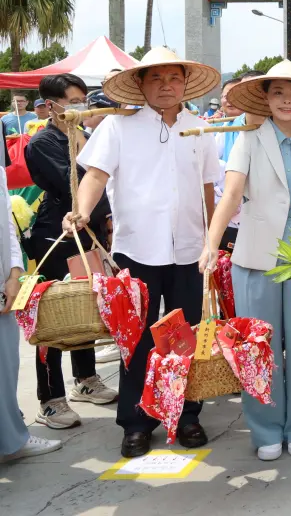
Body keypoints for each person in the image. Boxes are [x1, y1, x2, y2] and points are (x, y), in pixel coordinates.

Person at [66, 48, 222, 459]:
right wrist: (81, 211)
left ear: (185, 84)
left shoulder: (199, 129)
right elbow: (95, 175)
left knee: (184, 338)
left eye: (174, 78)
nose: (166, 85)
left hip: (190, 250)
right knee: (135, 341)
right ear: (140, 85)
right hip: (136, 249)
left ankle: (187, 414)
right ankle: (136, 422)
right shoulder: (119, 127)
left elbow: (209, 187)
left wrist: (211, 240)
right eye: (156, 79)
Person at [201, 61, 291, 461]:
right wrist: (212, 243)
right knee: (258, 346)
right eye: (277, 93)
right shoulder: (249, 139)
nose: (286, 100)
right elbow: (230, 195)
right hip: (256, 253)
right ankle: (264, 429)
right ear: (266, 99)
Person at [23, 74, 117, 429]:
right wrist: (80, 139)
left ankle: (86, 379)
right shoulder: (43, 142)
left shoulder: (83, 136)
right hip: (55, 234)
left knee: (85, 305)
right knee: (50, 317)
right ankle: (50, 398)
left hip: (89, 231)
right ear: (51, 106)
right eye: (73, 102)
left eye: (83, 101)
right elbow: (76, 182)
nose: (80, 108)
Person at [1, 161, 64, 462]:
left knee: (6, 363)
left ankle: (11, 439)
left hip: (3, 282)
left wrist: (14, 273)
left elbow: (6, 226)